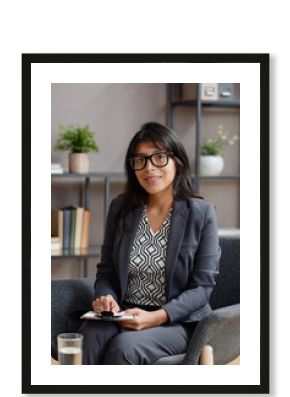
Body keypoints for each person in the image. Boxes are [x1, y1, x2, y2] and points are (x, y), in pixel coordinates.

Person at [79, 122, 221, 364]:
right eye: (141, 160)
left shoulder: (201, 213)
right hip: (124, 312)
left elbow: (202, 288)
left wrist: (157, 317)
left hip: (177, 321)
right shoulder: (121, 208)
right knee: (89, 337)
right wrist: (107, 298)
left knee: (124, 347)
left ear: (178, 161)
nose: (149, 168)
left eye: (159, 158)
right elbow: (107, 271)